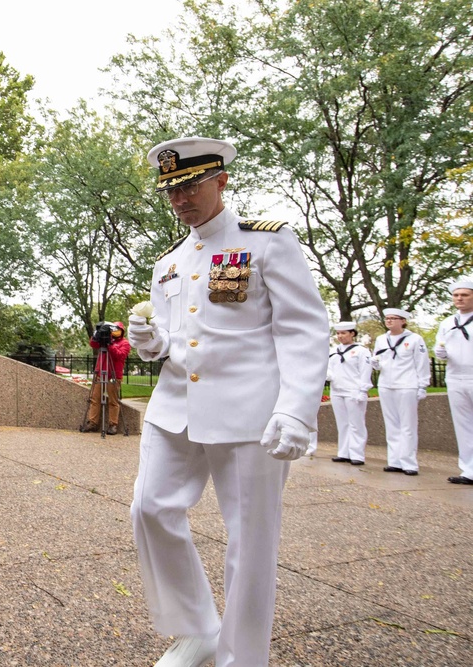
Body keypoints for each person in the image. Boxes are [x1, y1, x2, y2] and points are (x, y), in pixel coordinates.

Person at [127, 137, 328, 667]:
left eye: (191, 186)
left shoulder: (267, 241)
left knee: (250, 541)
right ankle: (197, 630)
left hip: (249, 413)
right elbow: (176, 339)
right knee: (149, 508)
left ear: (221, 181)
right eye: (172, 191)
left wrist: (296, 407)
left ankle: (242, 657)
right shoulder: (170, 261)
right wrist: (152, 344)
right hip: (174, 408)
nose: (181, 199)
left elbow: (303, 327)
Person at [371, 308, 429, 476]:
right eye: (387, 318)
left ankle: (409, 462)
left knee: (407, 425)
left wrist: (423, 385)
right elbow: (381, 361)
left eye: (393, 318)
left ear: (403, 321)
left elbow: (421, 363)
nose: (389, 321)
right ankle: (394, 461)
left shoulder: (414, 339)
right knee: (391, 425)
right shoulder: (382, 339)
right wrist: (376, 364)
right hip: (386, 384)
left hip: (407, 384)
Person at [434, 279, 473, 485]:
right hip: (455, 377)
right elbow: (440, 349)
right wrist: (439, 353)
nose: (459, 298)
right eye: (456, 295)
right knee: (463, 424)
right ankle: (468, 470)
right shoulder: (448, 323)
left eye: (465, 295)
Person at [327, 321, 373, 465]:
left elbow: (365, 371)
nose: (340, 336)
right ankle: (344, 452)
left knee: (356, 424)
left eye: (344, 333)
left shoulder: (361, 351)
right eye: (338, 333)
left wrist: (363, 390)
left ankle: (357, 454)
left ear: (352, 334)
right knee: (343, 424)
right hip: (337, 390)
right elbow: (328, 367)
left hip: (353, 390)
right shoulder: (333, 351)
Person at [82, 321, 130, 435]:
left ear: (122, 331)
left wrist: (110, 345)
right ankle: (92, 423)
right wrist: (96, 335)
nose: (114, 332)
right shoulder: (104, 341)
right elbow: (93, 344)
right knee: (95, 398)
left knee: (113, 401)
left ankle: (113, 425)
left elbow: (120, 355)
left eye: (117, 329)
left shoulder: (125, 343)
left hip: (114, 375)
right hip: (100, 374)